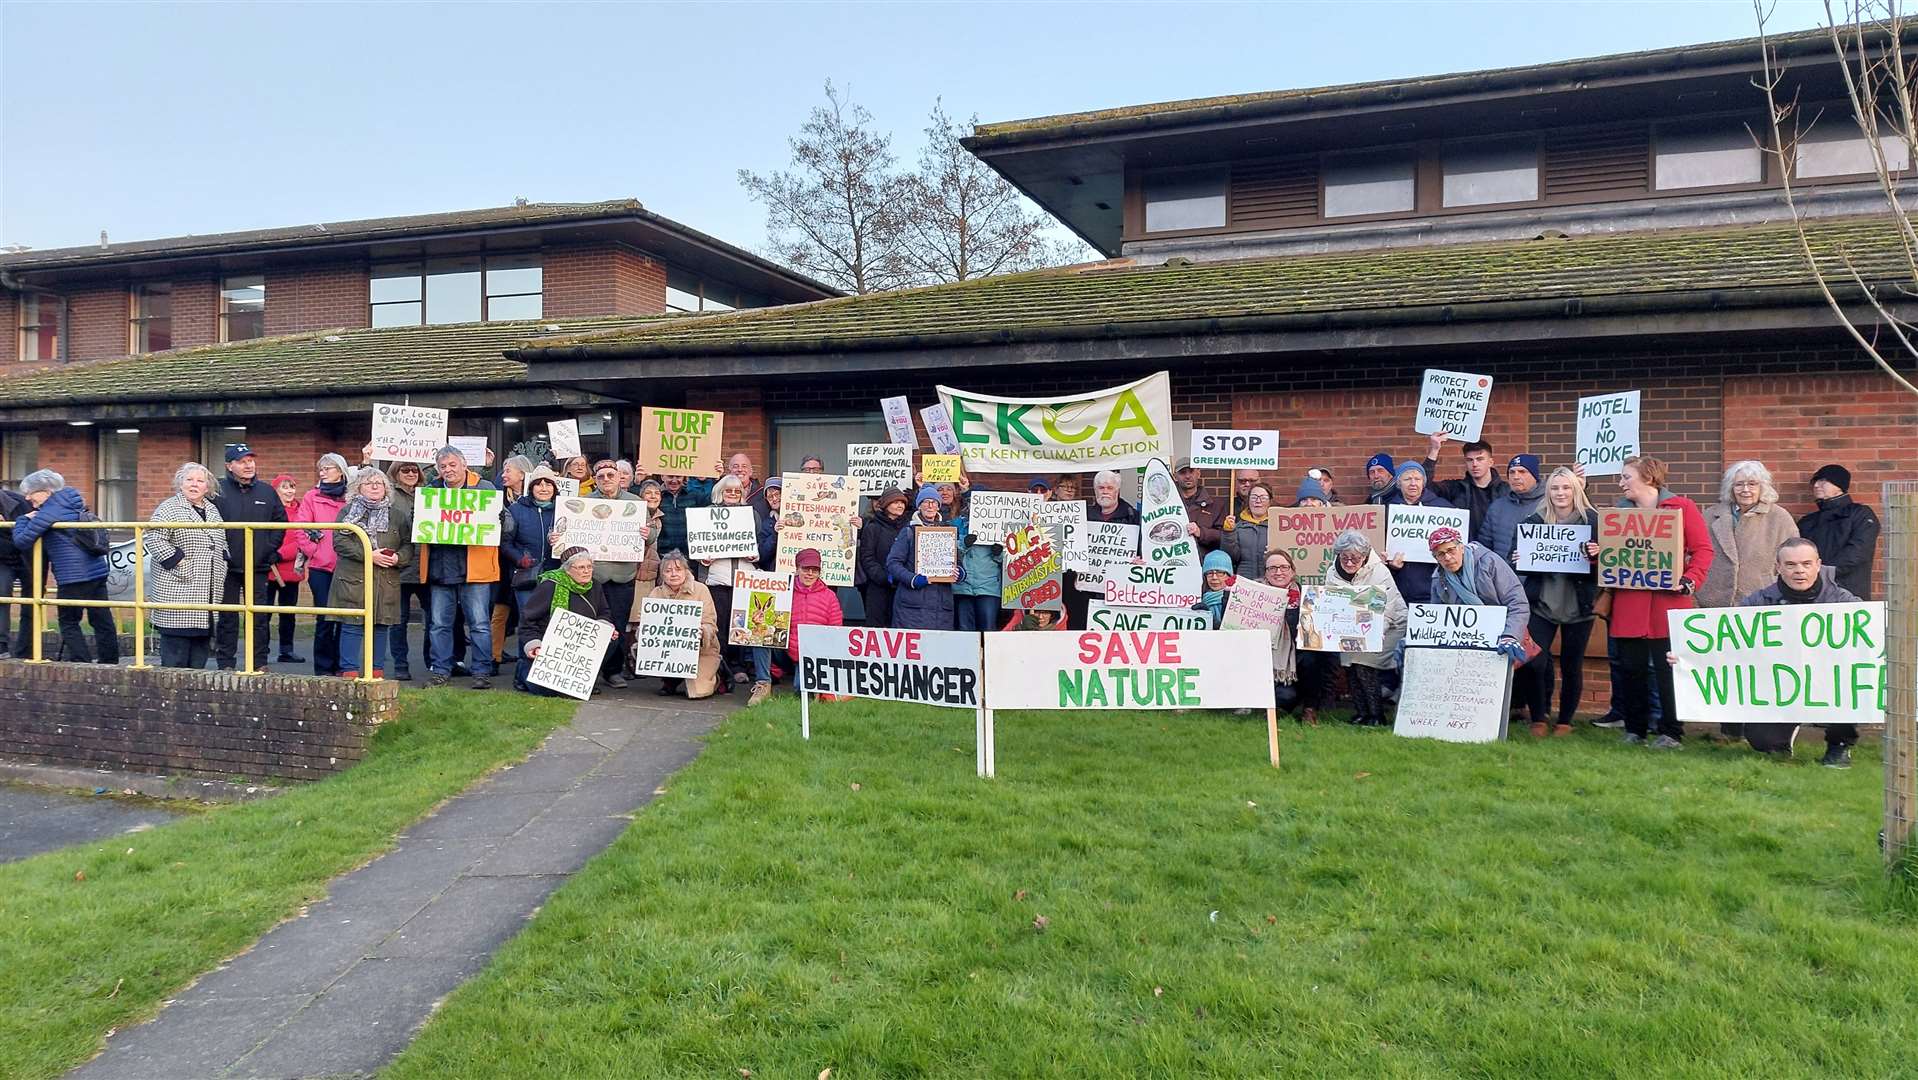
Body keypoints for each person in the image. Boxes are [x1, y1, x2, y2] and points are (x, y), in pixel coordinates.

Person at [1605, 455, 1712, 749]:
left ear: (1648, 477)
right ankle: (1635, 729)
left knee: (1669, 671)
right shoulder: (1619, 513)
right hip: (1629, 604)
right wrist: (1595, 554)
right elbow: (1611, 558)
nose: (1621, 483)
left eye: (1626, 477)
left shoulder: (1682, 507)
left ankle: (1671, 732)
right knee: (1631, 670)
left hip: (1669, 603)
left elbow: (1703, 550)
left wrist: (1691, 580)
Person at [1730, 538, 1863, 767]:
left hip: (1827, 682)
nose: (1799, 570)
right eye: (1790, 565)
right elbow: (1726, 642)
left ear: (1818, 564)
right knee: (1763, 741)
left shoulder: (1843, 601)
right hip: (1779, 685)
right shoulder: (1758, 602)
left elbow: (1871, 638)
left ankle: (1839, 745)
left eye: (1806, 563)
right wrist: (1690, 657)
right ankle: (1780, 741)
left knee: (1849, 684)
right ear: (1778, 568)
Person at [1513, 467, 1600, 737]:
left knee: (1572, 665)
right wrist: (1517, 558)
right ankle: (1539, 717)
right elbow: (1515, 560)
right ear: (1547, 492)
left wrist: (1598, 556)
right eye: (1555, 488)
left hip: (1580, 604)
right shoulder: (1533, 521)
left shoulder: (1594, 522)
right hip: (1542, 603)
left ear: (1576, 490)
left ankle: (1566, 721)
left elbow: (1610, 567)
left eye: (1566, 488)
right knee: (1535, 662)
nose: (1560, 493)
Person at [11, 470, 116, 664]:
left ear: (47, 492)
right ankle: (110, 661)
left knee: (68, 621)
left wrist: (23, 519)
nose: (27, 497)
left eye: (31, 492)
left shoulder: (49, 512)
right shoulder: (71, 501)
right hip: (97, 570)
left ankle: (80, 661)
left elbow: (22, 540)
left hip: (73, 575)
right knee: (101, 618)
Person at [419, 445, 500, 689]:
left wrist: (500, 519)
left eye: (453, 465)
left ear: (464, 465)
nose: (448, 470)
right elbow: (420, 527)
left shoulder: (484, 488)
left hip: (475, 568)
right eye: (443, 466)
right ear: (437, 469)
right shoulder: (430, 491)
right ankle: (441, 670)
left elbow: (507, 528)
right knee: (439, 624)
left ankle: (481, 672)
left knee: (479, 624)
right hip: (440, 568)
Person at [332, 466, 414, 679]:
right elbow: (340, 542)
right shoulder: (347, 512)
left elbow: (408, 545)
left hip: (386, 579)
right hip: (353, 578)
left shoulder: (397, 515)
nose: (375, 486)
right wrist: (369, 555)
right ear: (358, 488)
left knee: (381, 624)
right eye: (369, 483)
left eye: (380, 483)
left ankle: (376, 672)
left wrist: (398, 558)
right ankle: (349, 671)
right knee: (352, 624)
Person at [211, 443, 287, 671]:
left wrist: (269, 550)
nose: (248, 465)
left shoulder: (266, 491)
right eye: (242, 461)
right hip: (227, 566)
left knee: (259, 618)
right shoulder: (217, 491)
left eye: (251, 460)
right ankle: (226, 663)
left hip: (258, 565)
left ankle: (259, 662)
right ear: (229, 465)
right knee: (227, 617)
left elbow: (280, 523)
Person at [145, 463, 228, 669]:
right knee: (176, 659)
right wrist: (179, 562)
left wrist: (224, 558)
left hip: (206, 595)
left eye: (200, 481)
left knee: (198, 660)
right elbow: (155, 538)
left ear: (207, 487)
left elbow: (221, 539)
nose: (194, 485)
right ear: (180, 484)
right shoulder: (169, 508)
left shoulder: (212, 510)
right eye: (189, 480)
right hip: (178, 591)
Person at [1325, 530, 1405, 727]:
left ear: (1365, 556)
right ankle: (1361, 713)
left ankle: (1377, 714)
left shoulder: (1379, 572)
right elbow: (1330, 605)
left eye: (1355, 558)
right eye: (1345, 557)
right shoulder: (1332, 573)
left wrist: (1377, 632)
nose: (1350, 562)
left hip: (1390, 625)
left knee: (1363, 664)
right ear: (1338, 555)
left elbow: (1388, 606)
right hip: (1352, 627)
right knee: (1349, 665)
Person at [1425, 524, 1529, 667]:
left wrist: (1510, 635)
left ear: (1461, 547)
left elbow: (1517, 602)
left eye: (1451, 550)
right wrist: (1411, 642)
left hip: (1503, 636)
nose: (1447, 557)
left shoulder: (1489, 562)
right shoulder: (1439, 579)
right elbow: (1436, 618)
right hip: (1466, 643)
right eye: (1441, 554)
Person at [521, 547, 622, 693]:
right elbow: (528, 621)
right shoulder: (549, 586)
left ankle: (585, 679)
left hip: (582, 647)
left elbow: (603, 613)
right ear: (567, 570)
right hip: (549, 647)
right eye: (581, 567)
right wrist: (534, 645)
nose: (587, 571)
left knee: (611, 639)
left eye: (589, 567)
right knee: (547, 691)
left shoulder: (595, 586)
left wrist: (605, 628)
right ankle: (522, 671)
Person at [503, 464, 563, 690]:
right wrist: (520, 559)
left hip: (556, 575)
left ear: (555, 488)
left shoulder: (565, 511)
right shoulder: (516, 510)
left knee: (552, 625)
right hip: (526, 577)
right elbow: (506, 542)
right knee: (528, 625)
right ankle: (523, 675)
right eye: (539, 483)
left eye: (549, 483)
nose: (544, 487)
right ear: (531, 487)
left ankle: (549, 675)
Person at [587, 458, 646, 690]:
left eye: (611, 475)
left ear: (619, 477)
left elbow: (651, 537)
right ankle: (590, 670)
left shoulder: (635, 502)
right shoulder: (584, 503)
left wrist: (646, 533)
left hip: (623, 575)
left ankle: (613, 671)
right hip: (593, 576)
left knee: (618, 625)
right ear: (595, 480)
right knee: (592, 625)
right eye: (601, 476)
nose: (606, 480)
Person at [292, 453, 350, 676]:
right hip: (321, 567)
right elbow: (301, 526)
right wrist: (313, 551)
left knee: (347, 618)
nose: (323, 472)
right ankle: (324, 668)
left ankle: (345, 665)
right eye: (321, 469)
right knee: (325, 618)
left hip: (347, 566)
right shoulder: (311, 496)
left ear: (341, 471)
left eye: (329, 468)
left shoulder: (351, 496)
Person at [1797, 464, 1880, 599]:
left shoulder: (1860, 514)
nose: (1817, 485)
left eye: (1823, 481)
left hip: (1849, 591)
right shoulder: (1808, 522)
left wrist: (1824, 573)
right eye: (1815, 482)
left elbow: (1858, 551)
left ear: (1839, 486)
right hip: (1812, 592)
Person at [646, 551, 721, 699]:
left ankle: (718, 675)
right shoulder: (656, 593)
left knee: (698, 692)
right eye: (668, 571)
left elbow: (711, 623)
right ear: (662, 575)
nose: (673, 574)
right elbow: (648, 625)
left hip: (701, 650)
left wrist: (703, 632)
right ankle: (670, 679)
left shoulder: (701, 590)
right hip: (668, 651)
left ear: (686, 571)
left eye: (678, 569)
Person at [887, 485, 962, 630]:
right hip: (912, 606)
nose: (930, 505)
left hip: (941, 608)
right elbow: (893, 563)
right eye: (925, 502)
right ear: (919, 506)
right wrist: (913, 579)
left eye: (934, 502)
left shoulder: (947, 532)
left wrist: (959, 573)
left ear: (938, 506)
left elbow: (957, 563)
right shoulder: (908, 531)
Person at [1260, 550, 1324, 722]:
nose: (1278, 572)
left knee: (1311, 657)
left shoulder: (1307, 597)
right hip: (1267, 660)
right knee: (1282, 700)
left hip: (1296, 664)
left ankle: (1310, 708)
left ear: (1293, 571)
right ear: (1265, 572)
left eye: (1283, 567)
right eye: (1272, 568)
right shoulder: (1254, 595)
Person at [1382, 461, 1455, 606]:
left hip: (1436, 586)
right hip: (1401, 588)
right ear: (1398, 483)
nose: (1413, 483)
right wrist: (1390, 565)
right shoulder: (1387, 511)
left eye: (1417, 479)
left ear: (1424, 483)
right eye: (1407, 479)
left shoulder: (1443, 508)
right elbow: (1379, 548)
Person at [384, 460, 428, 681]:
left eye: (414, 470)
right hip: (399, 565)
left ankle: (432, 663)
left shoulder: (430, 493)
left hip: (426, 564)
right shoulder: (389, 494)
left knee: (433, 620)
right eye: (405, 469)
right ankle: (401, 664)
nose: (411, 473)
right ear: (396, 472)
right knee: (398, 620)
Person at [1422, 433, 1510, 539]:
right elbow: (1422, 486)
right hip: (1464, 551)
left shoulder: (1506, 491)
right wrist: (1434, 450)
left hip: (1496, 551)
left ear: (1490, 462)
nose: (1475, 464)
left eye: (1480, 459)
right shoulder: (1455, 488)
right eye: (1469, 460)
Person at [785, 546, 845, 680]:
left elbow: (836, 630)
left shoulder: (830, 596)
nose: (810, 573)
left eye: (815, 570)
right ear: (797, 570)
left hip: (813, 654)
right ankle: (764, 682)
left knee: (802, 691)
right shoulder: (784, 591)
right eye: (805, 569)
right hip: (786, 652)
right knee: (760, 638)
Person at [1477, 454, 1547, 562]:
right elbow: (1484, 548)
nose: (1516, 476)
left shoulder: (1549, 504)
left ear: (1535, 476)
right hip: (1502, 576)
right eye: (1512, 472)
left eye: (1522, 472)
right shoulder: (1497, 507)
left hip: (1537, 577)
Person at [858, 487, 910, 627]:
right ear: (886, 505)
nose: (900, 505)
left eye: (902, 502)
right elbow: (867, 557)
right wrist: (883, 577)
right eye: (895, 502)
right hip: (878, 587)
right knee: (877, 627)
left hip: (902, 586)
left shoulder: (908, 527)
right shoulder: (873, 527)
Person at [268, 473, 305, 663]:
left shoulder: (302, 512)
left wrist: (281, 554)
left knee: (288, 613)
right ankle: (260, 649)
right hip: (268, 569)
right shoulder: (269, 511)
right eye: (284, 487)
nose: (289, 491)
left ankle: (286, 650)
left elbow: (302, 539)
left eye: (292, 487)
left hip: (292, 569)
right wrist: (268, 553)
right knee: (262, 612)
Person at [952, 496, 1003, 633]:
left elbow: (1011, 557)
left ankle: (987, 655)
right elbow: (947, 553)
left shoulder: (1000, 527)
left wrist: (999, 553)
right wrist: (964, 544)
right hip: (963, 587)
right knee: (964, 632)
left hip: (988, 587)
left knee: (988, 631)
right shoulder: (956, 525)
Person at [0, 482, 35, 660]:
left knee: (34, 600)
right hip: (4, 559)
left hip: (28, 554)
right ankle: (1, 645)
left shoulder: (20, 503)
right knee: (2, 596)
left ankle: (27, 649)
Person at [1220, 482, 1275, 581]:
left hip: (1272, 581)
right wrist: (1228, 533)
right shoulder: (1238, 527)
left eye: (1263, 497)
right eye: (1254, 497)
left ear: (1270, 501)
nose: (1258, 501)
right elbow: (1231, 557)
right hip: (1245, 582)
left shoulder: (1277, 526)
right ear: (1248, 500)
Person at [1174, 459, 1226, 551]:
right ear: (1175, 476)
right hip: (1173, 556)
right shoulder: (1167, 504)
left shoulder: (1215, 505)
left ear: (1198, 473)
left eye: (1191, 471)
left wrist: (1201, 532)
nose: (1188, 476)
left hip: (1205, 559)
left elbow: (1224, 537)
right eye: (1182, 472)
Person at [654, 473, 701, 560]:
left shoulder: (693, 495)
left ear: (684, 477)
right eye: (670, 476)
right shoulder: (656, 496)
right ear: (662, 476)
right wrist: (637, 482)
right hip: (662, 554)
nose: (674, 480)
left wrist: (716, 478)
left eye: (678, 477)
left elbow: (714, 502)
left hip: (688, 555)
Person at [1195, 549, 1234, 627]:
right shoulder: (1198, 599)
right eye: (1209, 573)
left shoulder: (1238, 601)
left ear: (1229, 575)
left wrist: (1211, 620)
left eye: (1220, 572)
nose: (1214, 577)